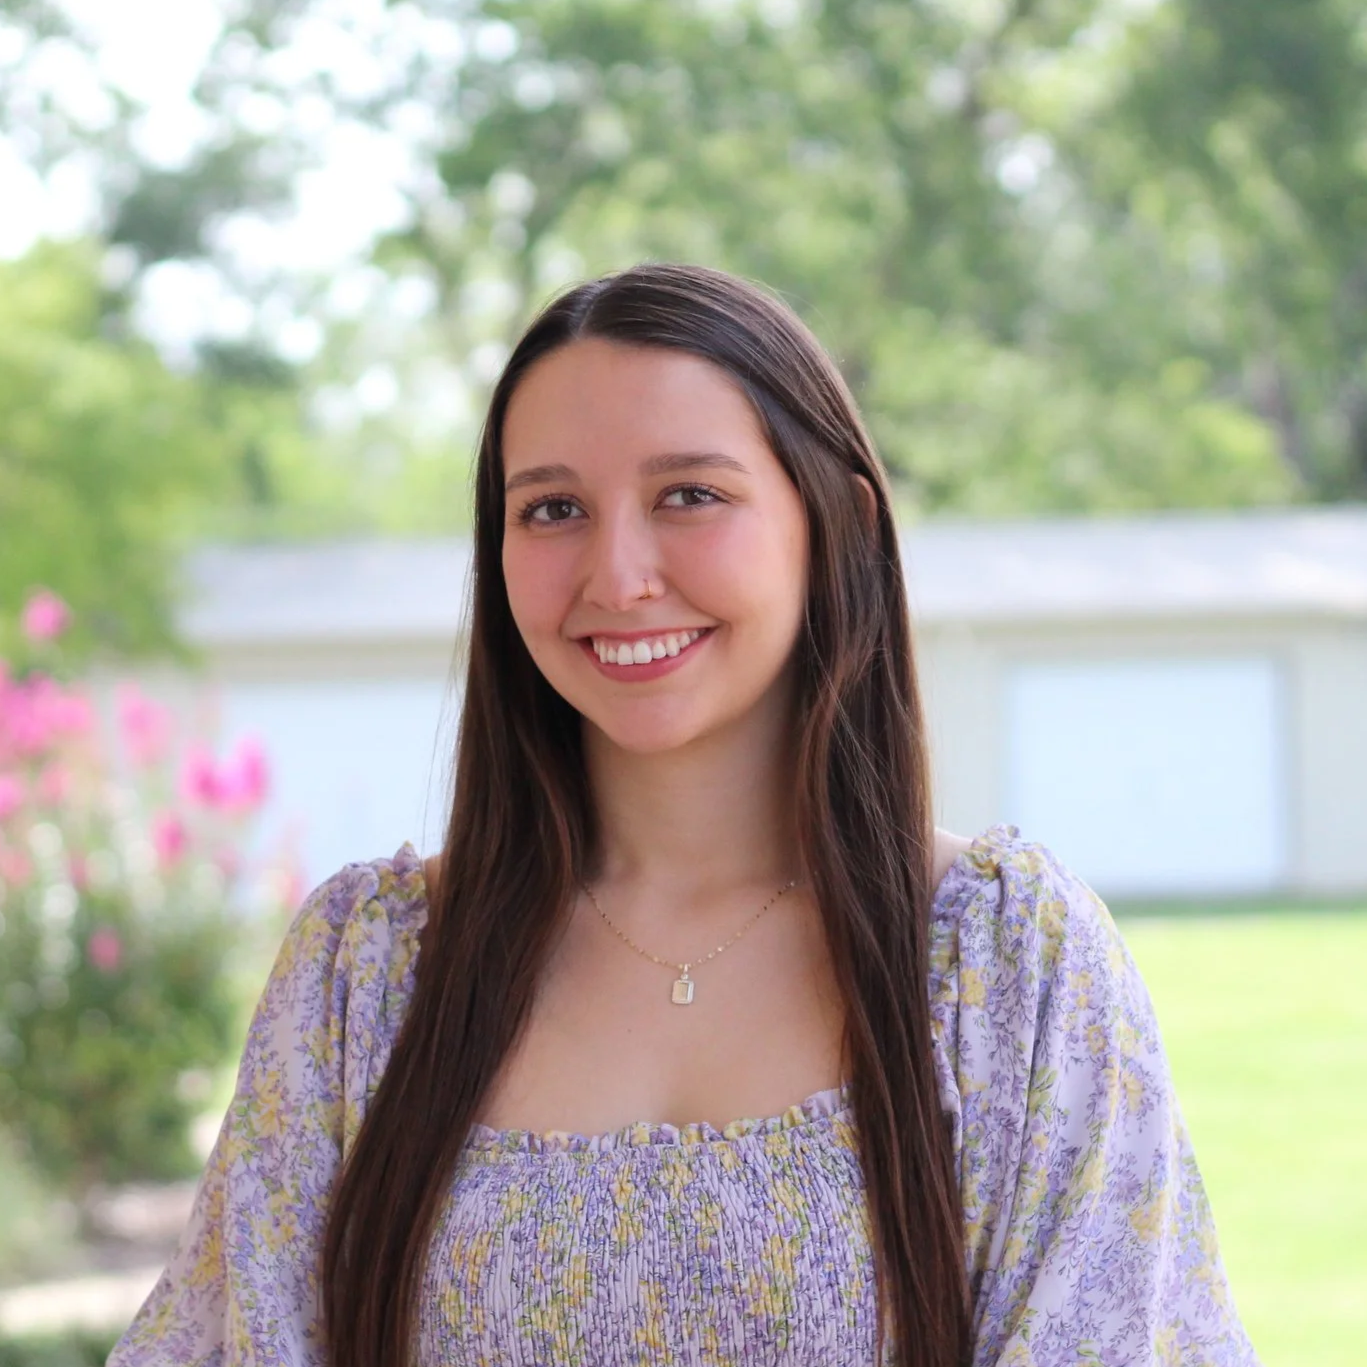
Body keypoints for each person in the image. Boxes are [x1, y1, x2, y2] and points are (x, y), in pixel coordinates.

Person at [109, 263, 1259, 1367]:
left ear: (842, 523)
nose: (615, 574)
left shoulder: (1006, 960)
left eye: (689, 496)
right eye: (551, 507)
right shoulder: (366, 971)